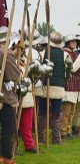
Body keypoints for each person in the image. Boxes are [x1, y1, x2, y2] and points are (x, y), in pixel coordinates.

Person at [0, 27, 22, 164]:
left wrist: (14, 53)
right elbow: (15, 75)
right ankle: (6, 156)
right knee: (7, 128)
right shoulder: (4, 53)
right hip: (3, 96)